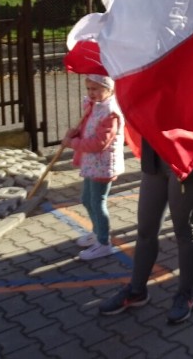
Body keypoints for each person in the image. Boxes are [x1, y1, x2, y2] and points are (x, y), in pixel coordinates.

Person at [98, 139, 193, 323]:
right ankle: (137, 291)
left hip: (190, 154)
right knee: (146, 229)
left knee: (185, 230)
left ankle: (186, 295)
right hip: (156, 152)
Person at [61, 73, 125, 261]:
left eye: (96, 89)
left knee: (97, 202)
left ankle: (104, 243)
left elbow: (99, 143)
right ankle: (97, 232)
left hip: (104, 164)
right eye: (89, 89)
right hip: (92, 163)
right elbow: (87, 128)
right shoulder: (94, 106)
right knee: (87, 199)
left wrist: (73, 144)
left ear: (109, 89)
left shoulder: (110, 112)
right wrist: (74, 133)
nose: (91, 93)